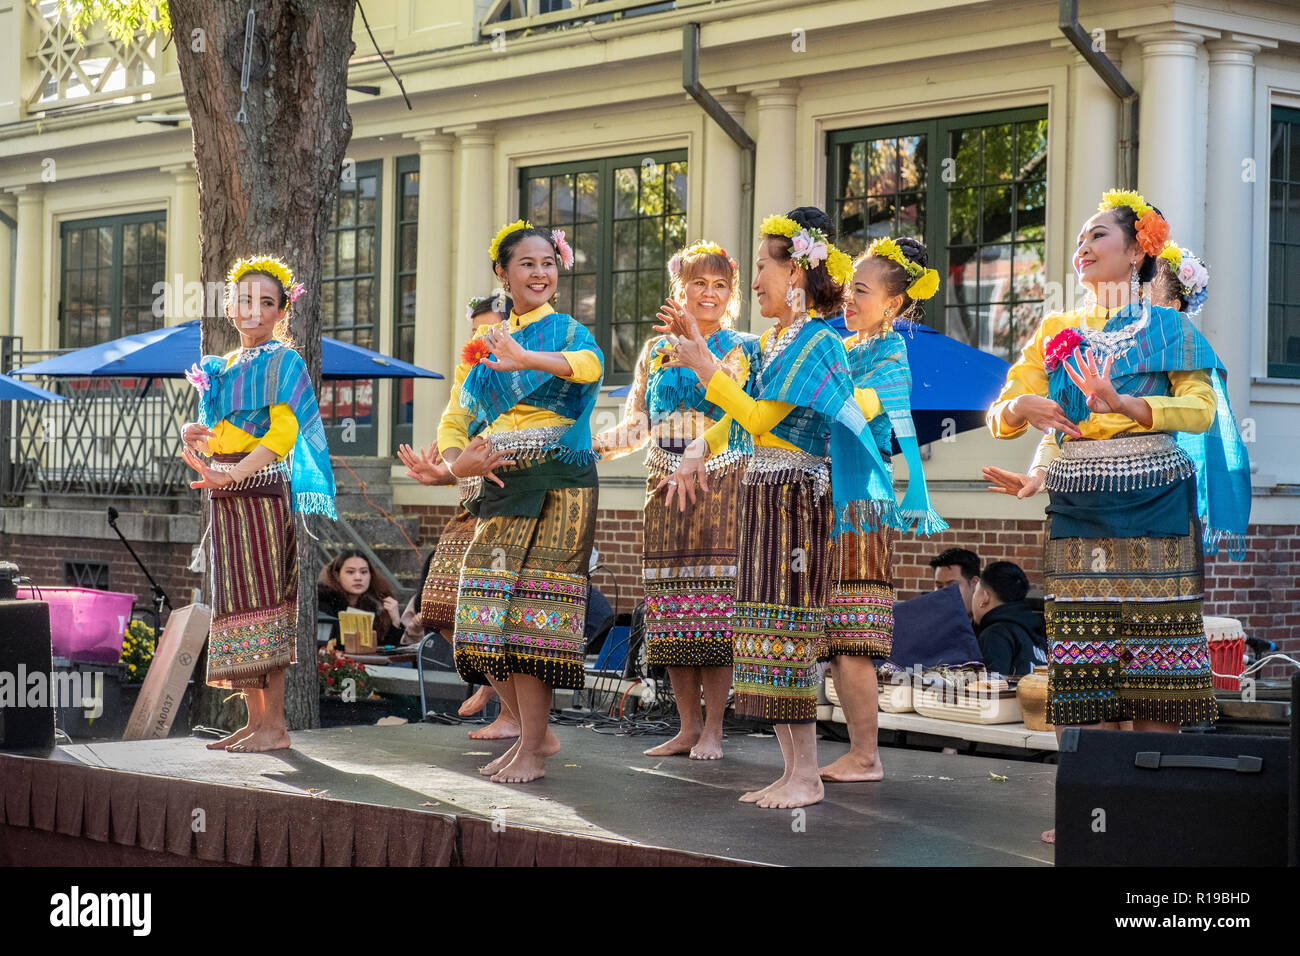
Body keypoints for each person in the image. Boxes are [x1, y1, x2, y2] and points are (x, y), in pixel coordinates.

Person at [982, 189, 1251, 843]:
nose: (1083, 246)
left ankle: (1145, 806)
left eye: (1098, 235)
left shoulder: (1168, 330)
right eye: (1080, 237)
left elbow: (1201, 410)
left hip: (1155, 501)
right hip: (1078, 507)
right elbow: (1006, 414)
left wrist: (1127, 404)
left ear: (1138, 252)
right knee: (1086, 658)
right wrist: (1023, 415)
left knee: (1155, 660)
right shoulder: (1054, 333)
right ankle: (1094, 809)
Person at [659, 206, 900, 809]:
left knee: (788, 633)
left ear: (795, 273)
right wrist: (696, 447)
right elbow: (744, 423)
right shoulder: (775, 340)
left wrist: (705, 366)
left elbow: (764, 418)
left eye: (764, 265)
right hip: (765, 496)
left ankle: (807, 775)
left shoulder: (817, 341)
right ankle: (795, 769)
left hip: (795, 502)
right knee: (767, 635)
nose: (757, 279)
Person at [402, 220, 603, 784]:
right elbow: (457, 414)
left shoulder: (565, 330)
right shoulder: (483, 347)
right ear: (503, 273)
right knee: (489, 617)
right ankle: (530, 738)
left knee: (535, 618)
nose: (540, 273)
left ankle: (534, 748)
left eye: (548, 263)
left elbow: (591, 368)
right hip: (499, 484)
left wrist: (527, 360)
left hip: (561, 483)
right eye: (527, 264)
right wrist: (451, 462)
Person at [593, 239, 757, 760]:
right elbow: (638, 426)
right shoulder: (656, 350)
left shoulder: (744, 347)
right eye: (699, 284)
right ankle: (686, 727)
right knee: (673, 612)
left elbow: (747, 418)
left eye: (720, 285)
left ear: (730, 294)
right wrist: (591, 444)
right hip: (663, 484)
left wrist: (700, 453)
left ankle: (714, 729)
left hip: (721, 482)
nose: (709, 294)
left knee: (714, 611)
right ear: (679, 289)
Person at [180, 254, 337, 753]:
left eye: (266, 302)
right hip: (223, 496)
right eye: (245, 299)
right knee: (235, 608)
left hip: (260, 495)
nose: (254, 309)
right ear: (229, 306)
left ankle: (276, 727)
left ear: (280, 314)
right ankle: (253, 722)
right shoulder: (220, 368)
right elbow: (218, 435)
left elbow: (283, 433)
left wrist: (236, 471)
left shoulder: (283, 361)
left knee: (266, 607)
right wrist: (194, 435)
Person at [820, 236, 947, 784]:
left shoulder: (890, 354)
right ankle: (859, 751)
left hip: (862, 507)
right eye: (848, 290)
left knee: (854, 634)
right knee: (835, 634)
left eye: (861, 292)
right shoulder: (846, 349)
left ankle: (866, 755)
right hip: (831, 500)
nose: (848, 300)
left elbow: (861, 409)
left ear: (894, 304)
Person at [399, 290, 518, 740]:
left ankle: (509, 708)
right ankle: (490, 683)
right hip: (471, 496)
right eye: (476, 333)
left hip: (512, 496)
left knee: (499, 610)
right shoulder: (471, 368)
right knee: (439, 608)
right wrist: (452, 464)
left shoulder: (529, 361)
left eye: (492, 330)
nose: (483, 339)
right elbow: (453, 420)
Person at [970, 561, 1045, 677]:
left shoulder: (996, 635)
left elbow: (991, 690)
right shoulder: (1036, 636)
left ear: (985, 597)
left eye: (975, 591)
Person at [317, 550, 404, 647]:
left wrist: (395, 622)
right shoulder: (324, 605)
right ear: (337, 575)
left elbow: (384, 650)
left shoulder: (375, 604)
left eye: (364, 572)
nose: (358, 577)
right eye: (350, 572)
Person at [929, 547, 980, 617]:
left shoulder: (994, 626)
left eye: (952, 586)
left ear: (975, 584)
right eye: (939, 586)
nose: (943, 593)